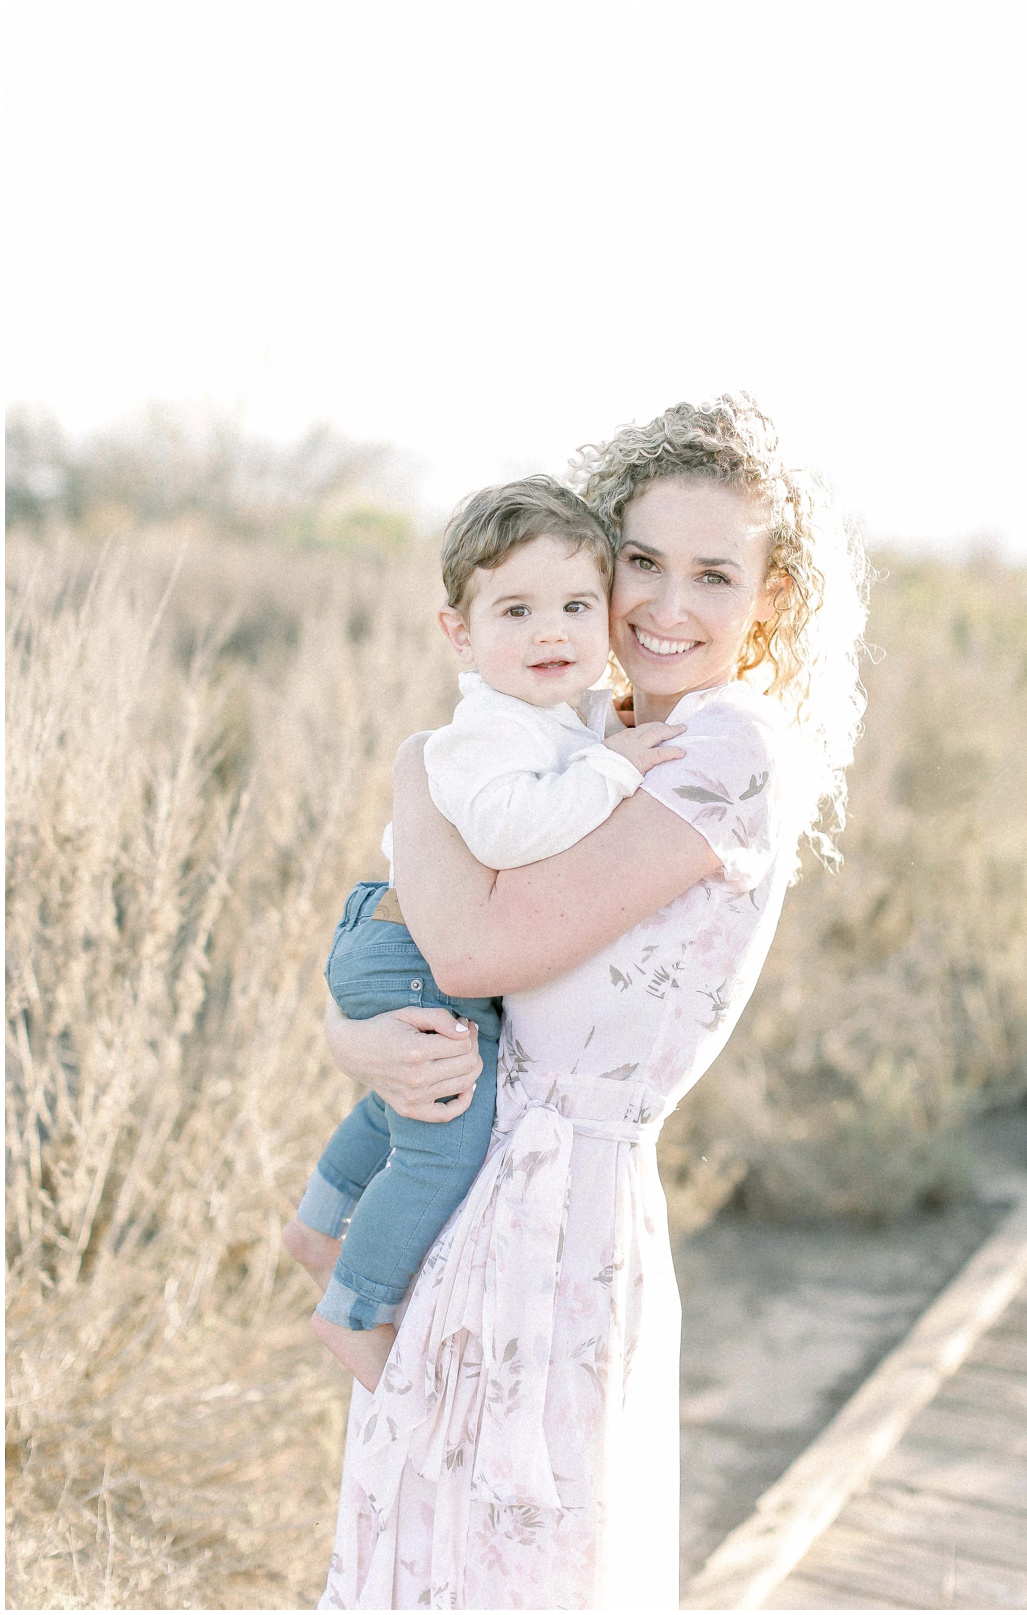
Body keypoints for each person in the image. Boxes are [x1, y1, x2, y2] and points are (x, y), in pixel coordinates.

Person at [317, 395, 870, 1611]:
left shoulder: (728, 750)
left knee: (523, 1564)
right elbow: (431, 950)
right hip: (467, 1174)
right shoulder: (587, 732)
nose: (668, 606)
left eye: (714, 574)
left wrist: (418, 770)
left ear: (770, 599)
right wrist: (350, 1034)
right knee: (423, 1540)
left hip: (564, 1219)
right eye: (642, 563)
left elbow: (474, 947)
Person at [283, 478, 683, 1391]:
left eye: (577, 606)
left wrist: (602, 741)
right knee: (447, 1139)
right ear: (459, 634)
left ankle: (317, 1219)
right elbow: (506, 832)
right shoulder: (479, 733)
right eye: (517, 610)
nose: (552, 631)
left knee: (403, 1098)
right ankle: (355, 1307)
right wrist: (612, 773)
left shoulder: (556, 715)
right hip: (412, 948)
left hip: (400, 933)